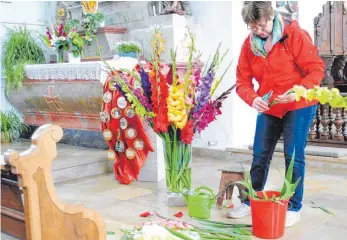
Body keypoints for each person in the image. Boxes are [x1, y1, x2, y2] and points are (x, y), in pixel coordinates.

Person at [228, 1, 325, 227]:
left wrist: (298, 92)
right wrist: (254, 99)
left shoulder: (295, 35)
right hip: (270, 105)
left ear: (272, 16)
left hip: (299, 104)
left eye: (262, 26)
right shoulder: (248, 46)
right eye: (254, 28)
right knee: (260, 154)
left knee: (293, 156)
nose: (260, 32)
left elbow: (316, 69)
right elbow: (242, 81)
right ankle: (250, 200)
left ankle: (293, 206)